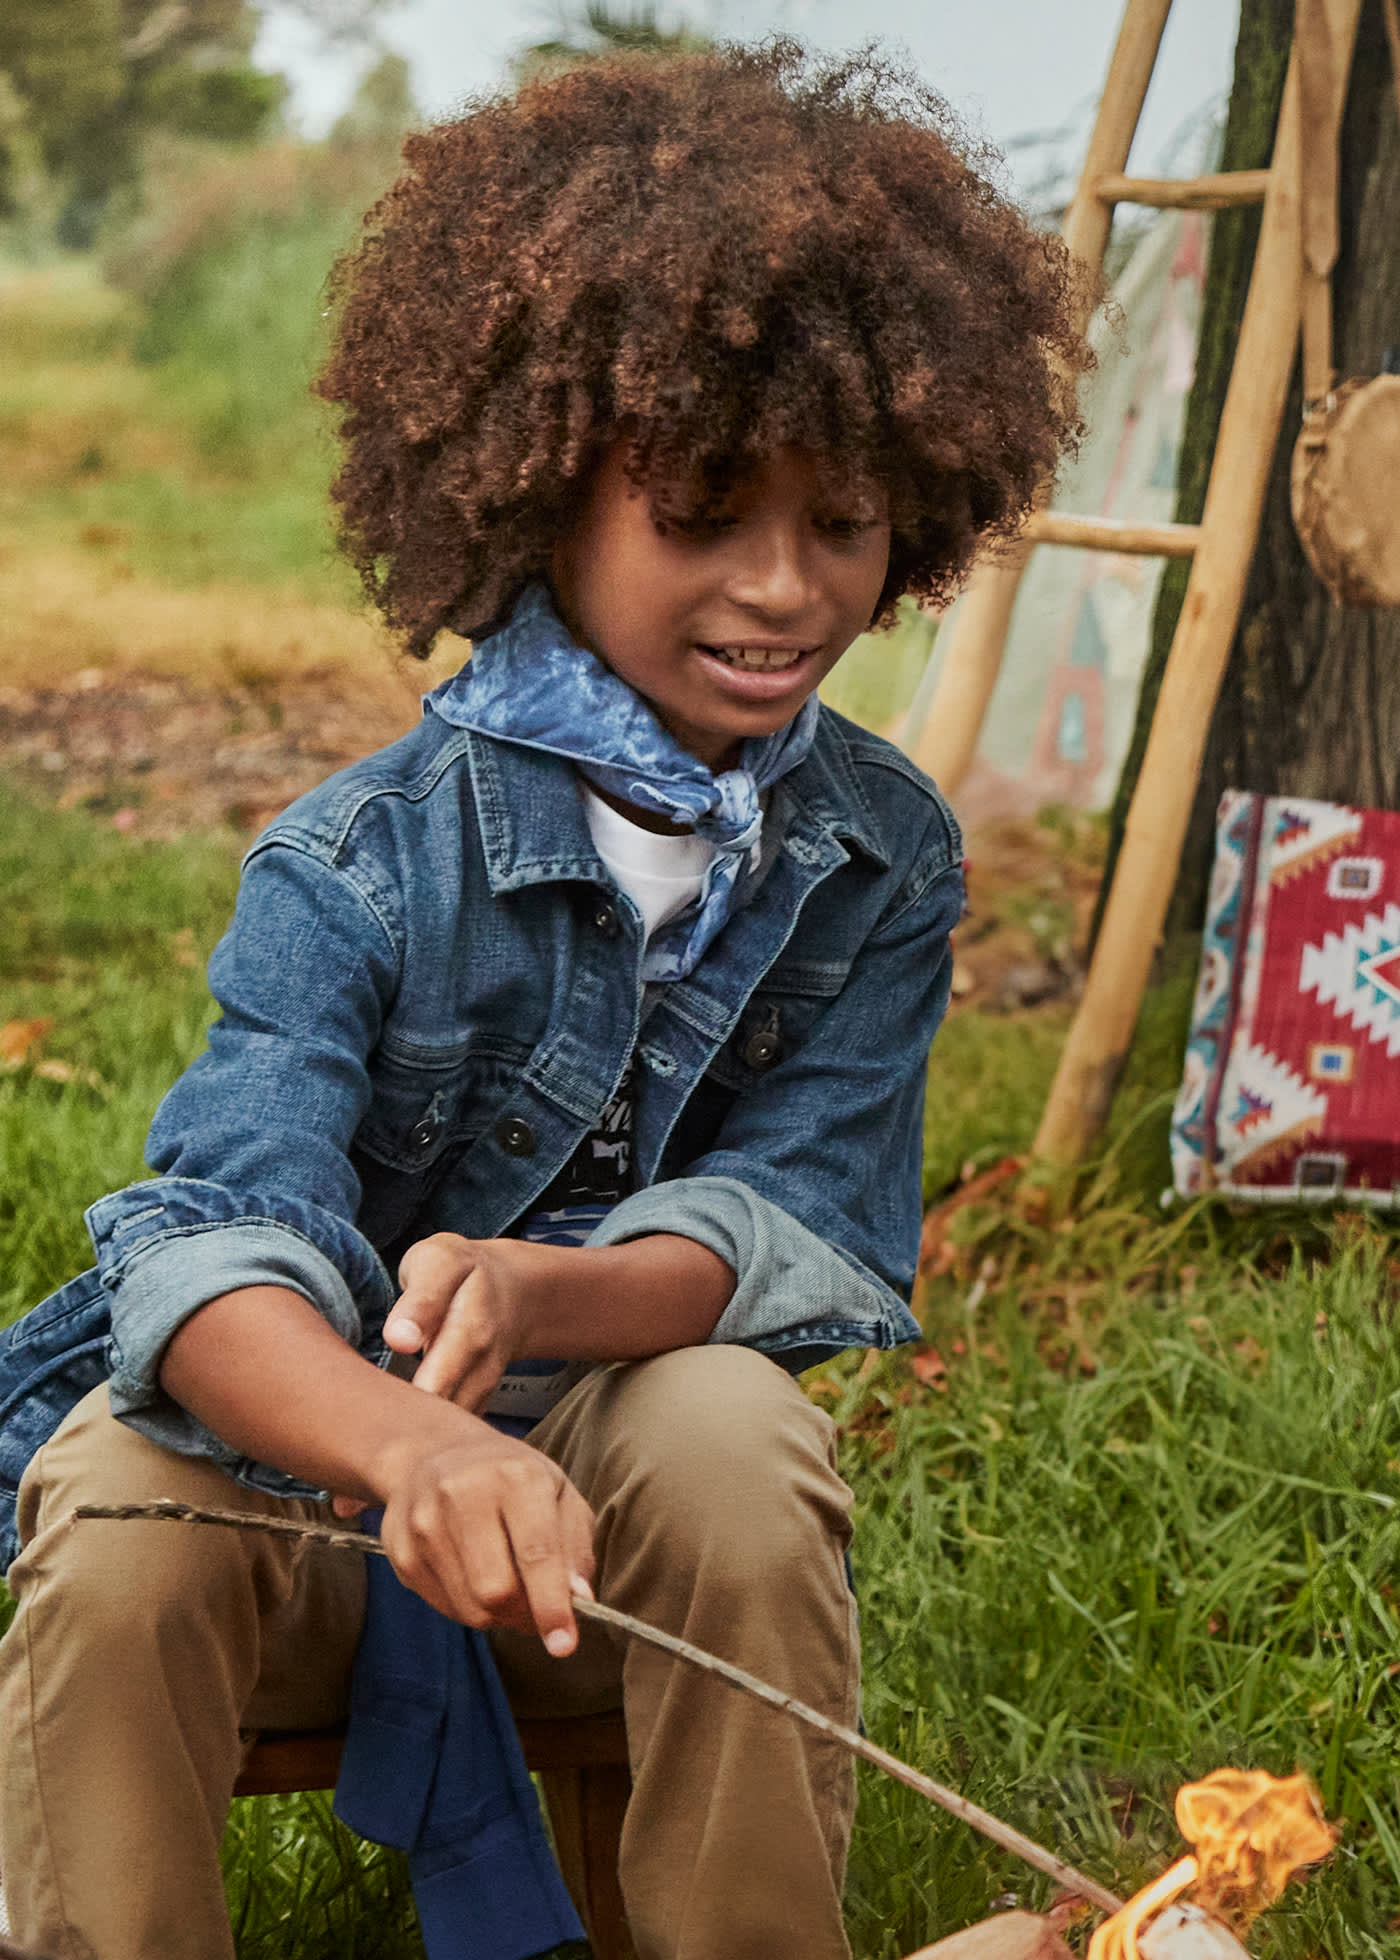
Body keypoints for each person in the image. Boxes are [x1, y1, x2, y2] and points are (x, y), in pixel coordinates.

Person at [0, 40, 1089, 1960]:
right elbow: (208, 1246)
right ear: (537, 484)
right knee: (105, 1502)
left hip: (620, 1520)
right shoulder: (353, 862)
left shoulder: (879, 857)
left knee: (740, 1437)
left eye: (841, 525)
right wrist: (415, 1440)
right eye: (702, 514)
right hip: (309, 1505)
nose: (781, 590)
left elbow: (807, 1217)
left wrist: (538, 1298)